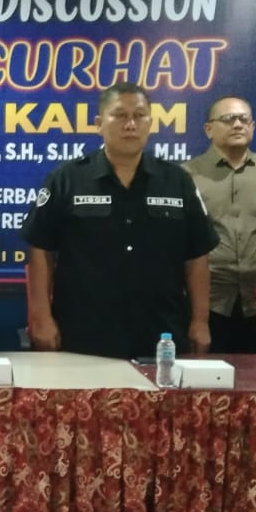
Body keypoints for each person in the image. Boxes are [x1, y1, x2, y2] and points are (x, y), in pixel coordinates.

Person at [21, 82, 218, 359]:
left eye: (139, 116)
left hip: (161, 333)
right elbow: (40, 249)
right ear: (99, 124)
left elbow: (197, 256)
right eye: (120, 115)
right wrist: (41, 317)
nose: (130, 125)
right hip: (83, 332)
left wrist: (200, 321)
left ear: (150, 123)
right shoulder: (67, 180)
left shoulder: (177, 181)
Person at [183, 96, 256, 353]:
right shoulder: (187, 175)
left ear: (253, 126)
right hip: (209, 302)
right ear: (209, 129)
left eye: (244, 119)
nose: (237, 124)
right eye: (228, 119)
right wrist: (197, 317)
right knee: (209, 375)